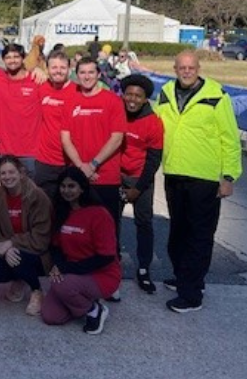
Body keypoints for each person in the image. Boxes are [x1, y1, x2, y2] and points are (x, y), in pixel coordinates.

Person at [154, 50, 242, 313]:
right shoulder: (166, 92)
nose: (187, 71)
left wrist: (228, 176)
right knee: (178, 233)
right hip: (174, 173)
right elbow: (156, 125)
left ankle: (191, 295)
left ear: (198, 68)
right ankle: (186, 277)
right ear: (175, 68)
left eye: (191, 67)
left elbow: (230, 138)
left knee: (199, 236)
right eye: (182, 67)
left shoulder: (216, 95)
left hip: (205, 178)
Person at [60, 57, 126, 282]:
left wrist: (94, 164)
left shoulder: (112, 101)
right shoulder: (70, 101)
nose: (86, 76)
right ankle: (77, 271)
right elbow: (65, 138)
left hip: (105, 177)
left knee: (108, 230)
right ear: (76, 75)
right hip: (77, 178)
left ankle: (111, 279)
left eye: (91, 72)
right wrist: (81, 168)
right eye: (82, 73)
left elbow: (117, 138)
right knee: (76, 228)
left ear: (99, 74)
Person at [42, 167, 120, 335]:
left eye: (72, 186)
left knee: (60, 283)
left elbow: (105, 257)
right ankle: (81, 300)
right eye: (63, 186)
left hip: (101, 274)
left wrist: (67, 269)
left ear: (82, 188)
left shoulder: (99, 214)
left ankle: (94, 310)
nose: (66, 191)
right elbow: (55, 247)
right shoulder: (62, 211)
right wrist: (58, 265)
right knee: (50, 316)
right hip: (73, 272)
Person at [0, 156, 53, 316]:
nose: (7, 177)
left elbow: (41, 237)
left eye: (11, 172)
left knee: (18, 258)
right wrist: (2, 247)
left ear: (21, 173)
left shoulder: (38, 197)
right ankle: (19, 280)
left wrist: (12, 243)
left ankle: (36, 290)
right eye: (3, 173)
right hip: (7, 250)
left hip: (36, 252)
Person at [119, 74, 164, 294]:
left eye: (138, 96)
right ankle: (111, 262)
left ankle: (144, 268)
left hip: (140, 178)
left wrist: (138, 188)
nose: (133, 100)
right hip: (117, 175)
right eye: (129, 94)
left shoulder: (153, 123)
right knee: (110, 221)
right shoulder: (116, 113)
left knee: (144, 223)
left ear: (146, 99)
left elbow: (154, 159)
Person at [0, 43, 42, 175]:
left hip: (31, 152)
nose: (12, 60)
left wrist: (40, 70)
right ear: (3, 60)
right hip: (6, 151)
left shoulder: (36, 81)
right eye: (8, 57)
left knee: (31, 193)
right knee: (8, 194)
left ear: (23, 58)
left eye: (16, 56)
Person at [34, 51, 77, 199]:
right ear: (47, 69)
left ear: (69, 69)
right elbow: (19, 73)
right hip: (44, 160)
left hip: (70, 160)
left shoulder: (78, 91)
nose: (58, 71)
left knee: (68, 208)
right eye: (54, 67)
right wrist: (35, 69)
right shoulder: (41, 86)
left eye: (62, 67)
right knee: (43, 207)